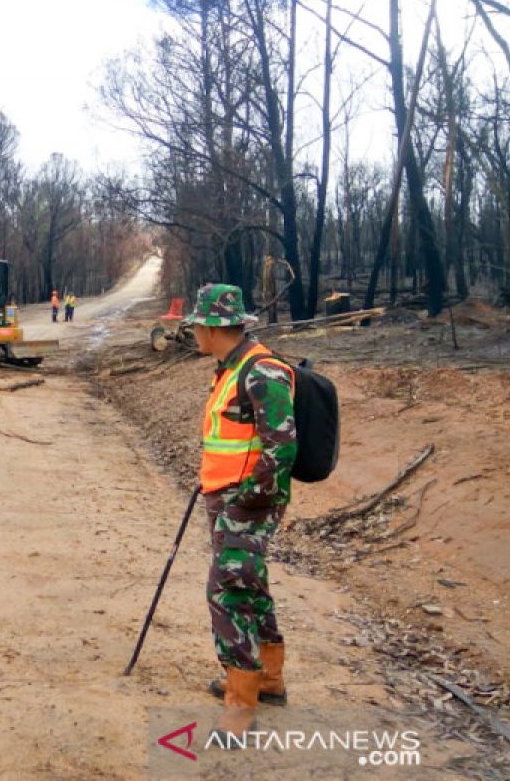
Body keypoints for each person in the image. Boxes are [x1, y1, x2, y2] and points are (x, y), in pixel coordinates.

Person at [183, 283, 296, 744]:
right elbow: (233, 438)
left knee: (227, 593)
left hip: (246, 505)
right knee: (249, 585)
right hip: (228, 497)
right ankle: (267, 680)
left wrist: (245, 501)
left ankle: (240, 707)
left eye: (196, 323)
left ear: (212, 327)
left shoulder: (261, 370)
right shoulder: (229, 367)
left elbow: (282, 445)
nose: (192, 330)